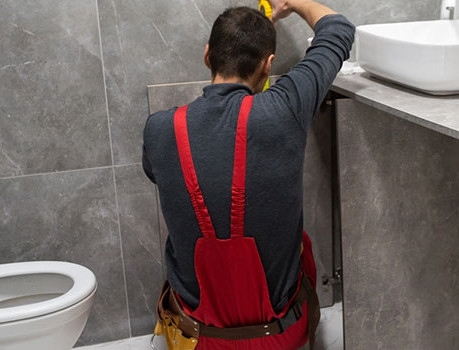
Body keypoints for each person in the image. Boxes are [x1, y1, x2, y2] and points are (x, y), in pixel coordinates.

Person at [142, 0, 354, 348]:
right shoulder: (285, 108)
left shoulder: (160, 129)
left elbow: (157, 174)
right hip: (282, 336)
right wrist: (294, 3)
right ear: (268, 66)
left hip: (195, 338)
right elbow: (338, 29)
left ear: (208, 55)